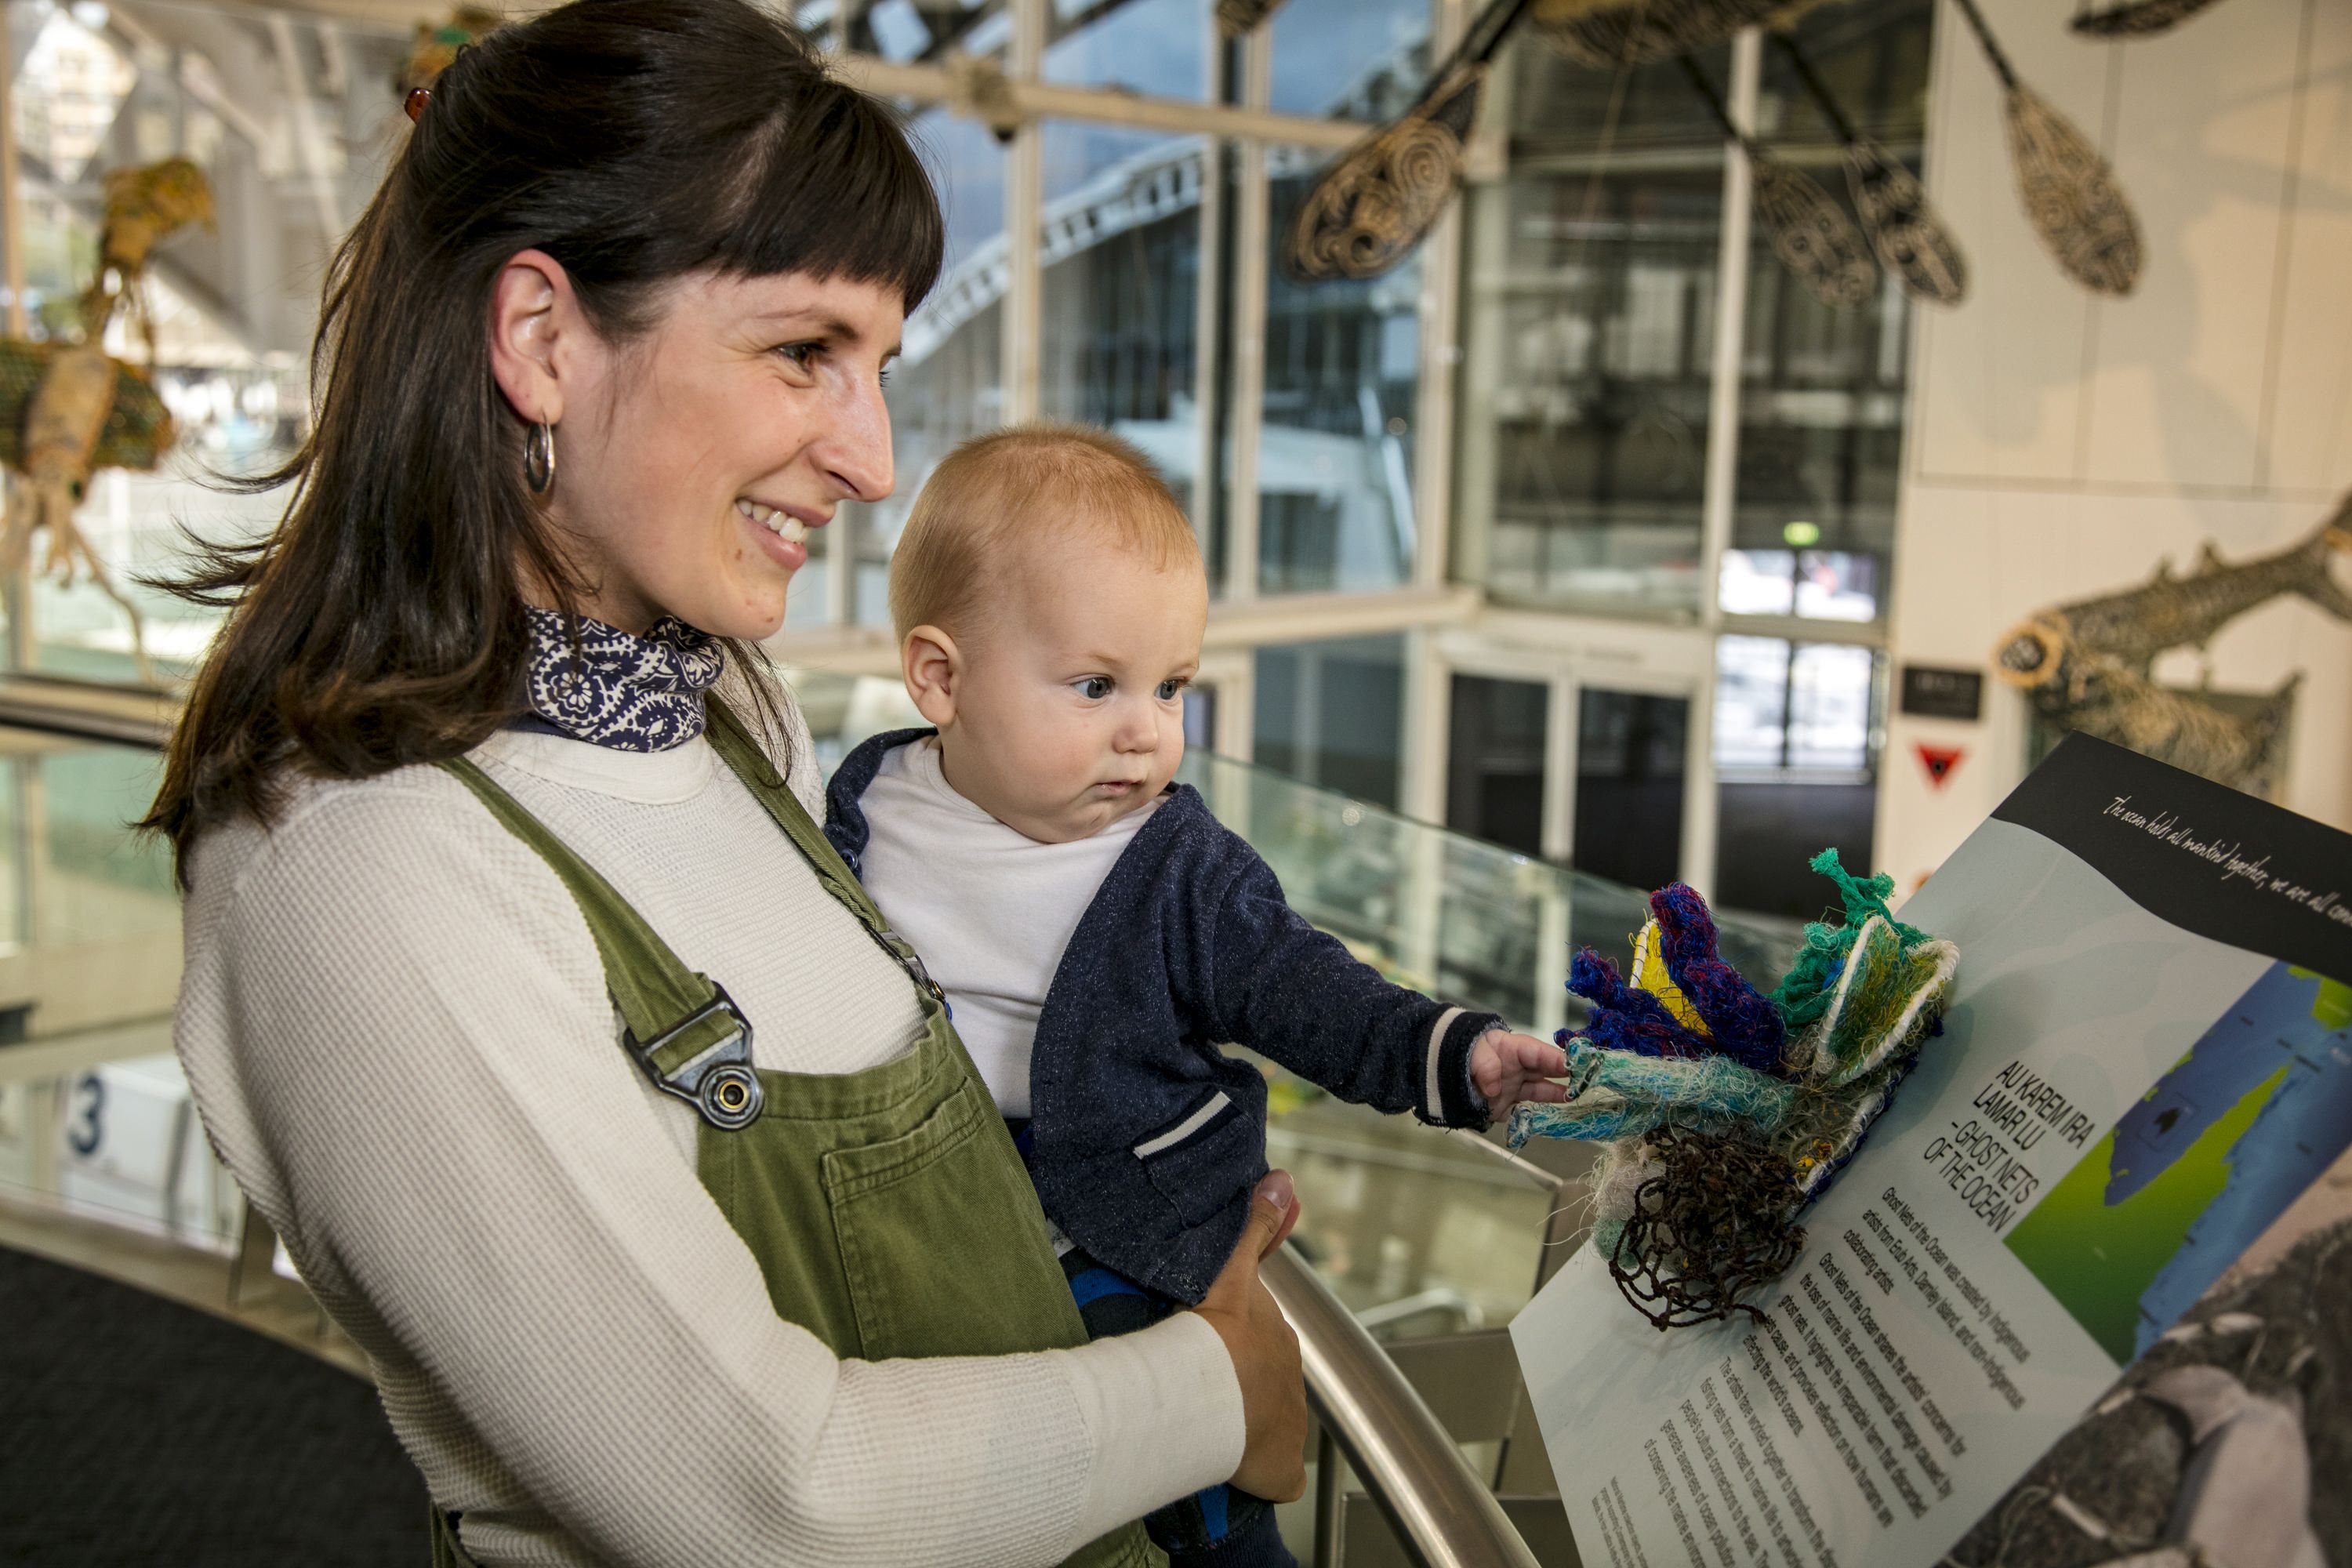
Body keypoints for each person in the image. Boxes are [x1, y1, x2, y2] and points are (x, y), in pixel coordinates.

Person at [145, 5, 1306, 1564]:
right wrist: (1213, 1389)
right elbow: (770, 1504)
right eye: (805, 351)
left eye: (880, 362)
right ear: (544, 341)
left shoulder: (725, 706)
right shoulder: (365, 868)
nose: (876, 458)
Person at [821, 425, 1571, 1567]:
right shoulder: (873, 799)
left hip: (1136, 1220)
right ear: (941, 678)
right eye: (1094, 685)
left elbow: (1303, 987)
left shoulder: (1174, 864)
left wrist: (1449, 1054)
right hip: (932, 1204)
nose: (1146, 730)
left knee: (1198, 1501)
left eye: (1172, 686)